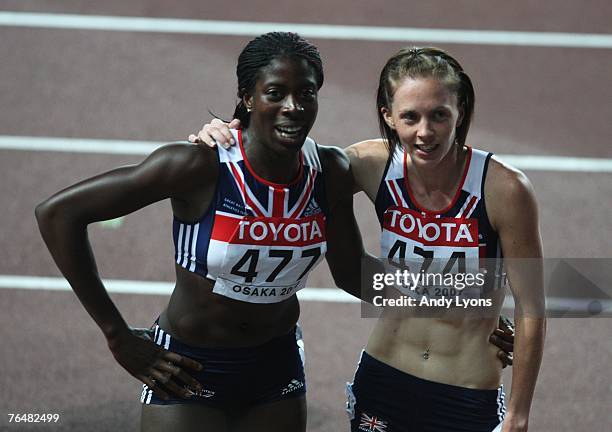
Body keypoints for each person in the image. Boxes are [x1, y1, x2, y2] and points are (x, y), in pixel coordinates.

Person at [191, 47, 543, 432]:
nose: (425, 132)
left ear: (460, 111)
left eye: (439, 115)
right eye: (410, 117)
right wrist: (228, 132)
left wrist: (518, 415)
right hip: (386, 378)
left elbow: (532, 306)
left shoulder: (505, 189)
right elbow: (278, 161)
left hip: (466, 392)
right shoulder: (370, 164)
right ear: (388, 117)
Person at [35, 32, 366, 432]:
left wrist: (454, 291)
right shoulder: (199, 166)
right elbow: (57, 215)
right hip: (188, 368)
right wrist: (118, 336)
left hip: (277, 370)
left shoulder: (329, 171)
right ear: (248, 97)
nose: (293, 107)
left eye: (306, 93)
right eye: (275, 93)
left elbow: (352, 275)